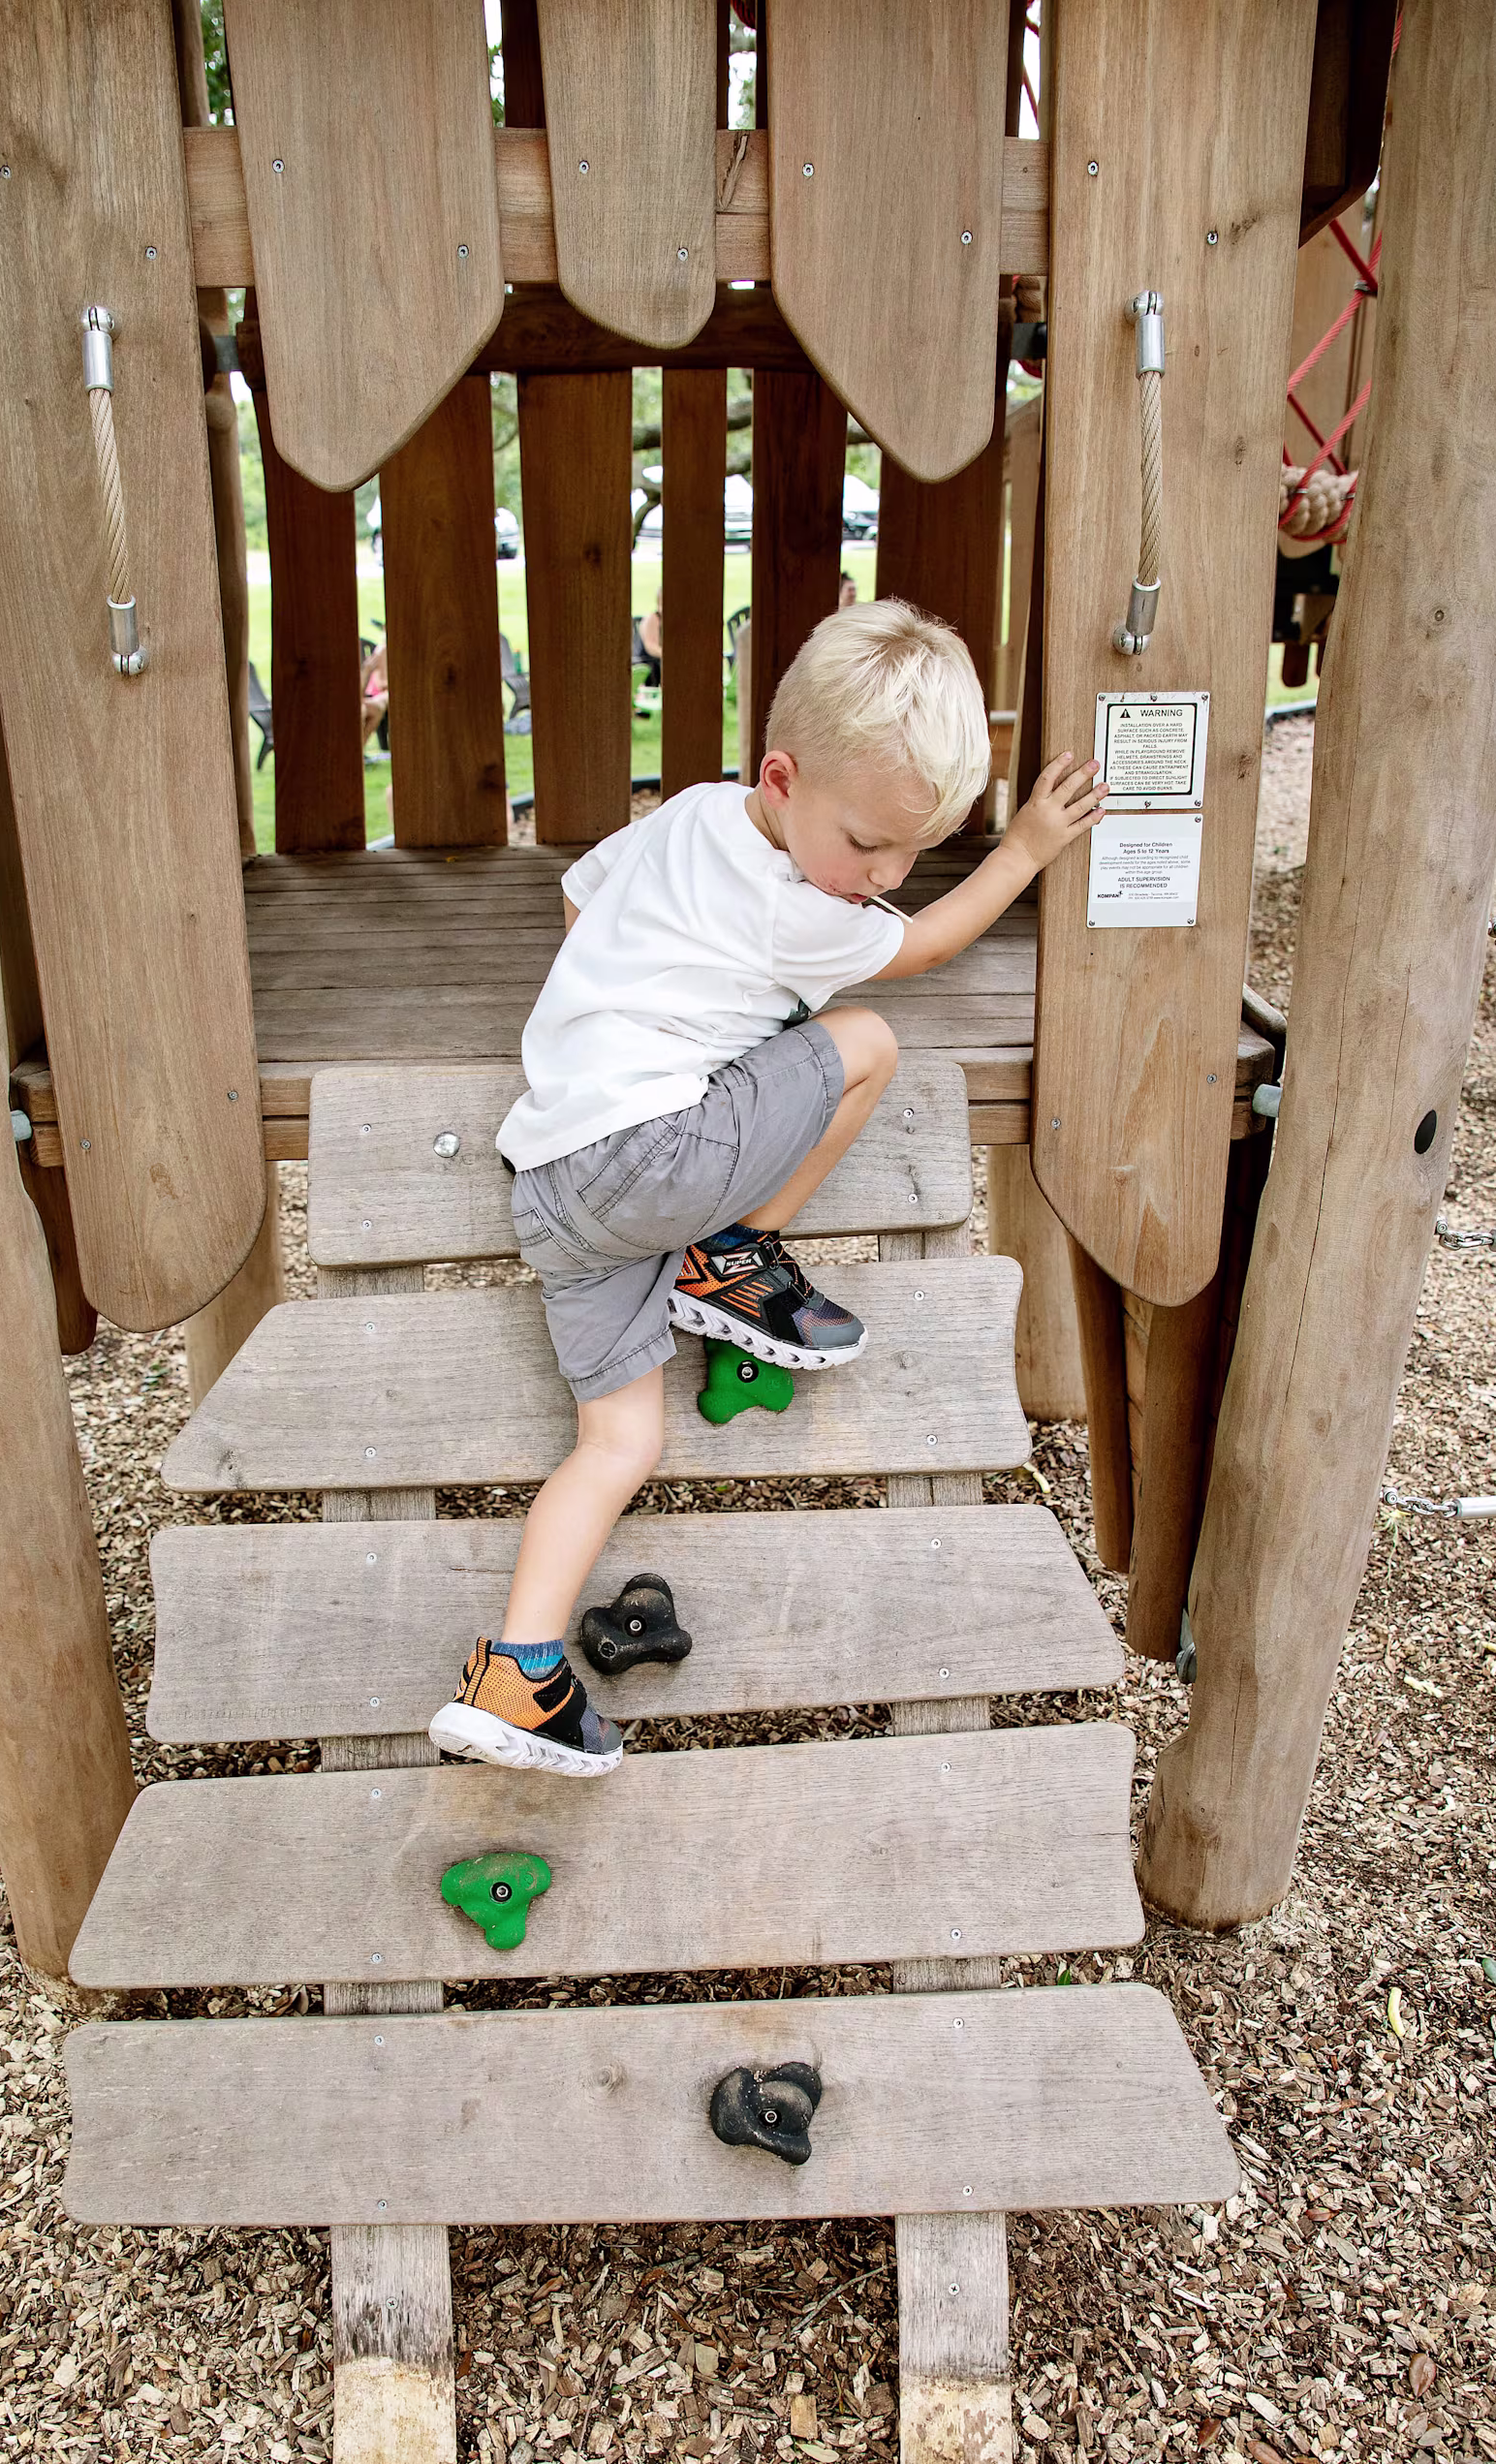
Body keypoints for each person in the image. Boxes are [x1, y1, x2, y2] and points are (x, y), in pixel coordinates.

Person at [428, 599, 1105, 1776]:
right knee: (870, 1043)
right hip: (657, 1160)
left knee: (618, 1440)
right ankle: (734, 1254)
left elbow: (580, 900)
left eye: (913, 856)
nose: (884, 878)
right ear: (783, 778)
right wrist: (1025, 850)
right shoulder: (800, 909)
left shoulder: (691, 812)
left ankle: (516, 1672)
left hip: (554, 1181)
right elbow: (930, 947)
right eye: (870, 847)